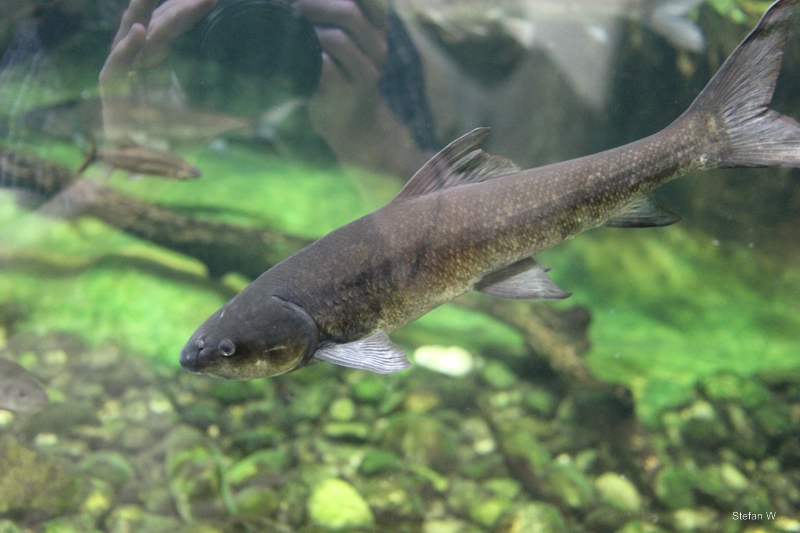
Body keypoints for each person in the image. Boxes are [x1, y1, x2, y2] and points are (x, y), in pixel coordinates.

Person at [99, 0, 435, 178]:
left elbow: (448, 210)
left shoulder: (351, 33)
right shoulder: (133, 25)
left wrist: (370, 134)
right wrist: (136, 159)